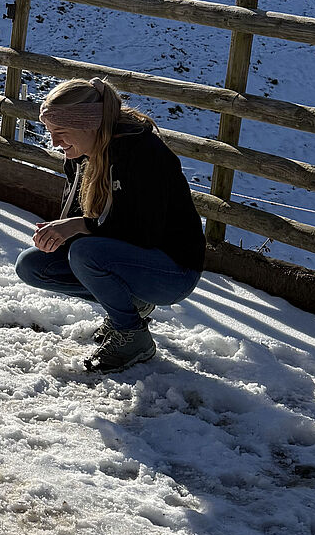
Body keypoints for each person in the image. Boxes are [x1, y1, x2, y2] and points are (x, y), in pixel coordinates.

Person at [14, 77, 205, 373]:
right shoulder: (80, 156)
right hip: (125, 258)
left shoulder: (142, 153)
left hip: (173, 271)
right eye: (50, 133)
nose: (54, 143)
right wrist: (58, 234)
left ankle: (131, 334)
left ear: (89, 125)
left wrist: (77, 226)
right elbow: (84, 219)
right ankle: (132, 304)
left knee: (86, 254)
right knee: (32, 265)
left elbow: (144, 232)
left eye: (60, 132)